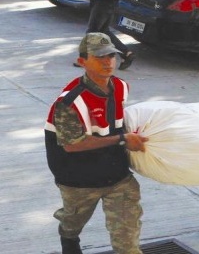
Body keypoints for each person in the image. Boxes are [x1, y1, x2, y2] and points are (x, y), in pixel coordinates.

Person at [45, 32, 148, 254]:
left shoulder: (121, 86)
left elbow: (118, 121)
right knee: (73, 221)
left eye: (111, 55)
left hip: (118, 176)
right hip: (78, 179)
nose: (107, 61)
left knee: (127, 240)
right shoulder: (69, 102)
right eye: (99, 56)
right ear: (82, 61)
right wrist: (122, 139)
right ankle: (69, 239)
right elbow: (73, 145)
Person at [80, 0, 135, 70]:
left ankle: (86, 59)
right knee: (104, 31)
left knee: (92, 31)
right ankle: (126, 53)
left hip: (107, 0)